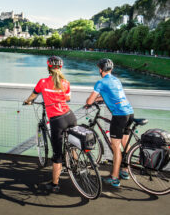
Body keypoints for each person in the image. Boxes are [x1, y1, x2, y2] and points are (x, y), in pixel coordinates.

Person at [24, 56, 77, 193]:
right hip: (70, 116)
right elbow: (68, 98)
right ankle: (76, 165)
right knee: (72, 144)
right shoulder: (65, 82)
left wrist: (27, 101)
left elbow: (33, 96)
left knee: (57, 155)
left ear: (48, 67)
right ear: (61, 67)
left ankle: (55, 184)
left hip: (57, 120)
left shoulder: (42, 82)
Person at [86, 58, 134, 188]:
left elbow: (90, 101)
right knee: (125, 143)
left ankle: (114, 178)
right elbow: (112, 95)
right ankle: (125, 171)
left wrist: (89, 102)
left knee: (116, 147)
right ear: (111, 69)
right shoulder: (116, 80)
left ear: (101, 70)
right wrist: (101, 98)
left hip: (119, 116)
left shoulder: (100, 83)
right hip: (129, 113)